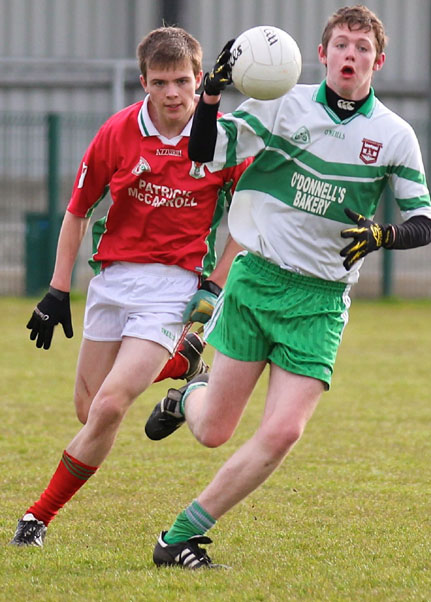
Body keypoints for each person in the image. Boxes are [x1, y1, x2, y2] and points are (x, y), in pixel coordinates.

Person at [144, 5, 431, 569]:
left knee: (282, 433)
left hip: (321, 302)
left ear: (379, 60)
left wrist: (382, 234)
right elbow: (203, 151)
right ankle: (189, 395)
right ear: (322, 54)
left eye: (363, 48)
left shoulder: (395, 135)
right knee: (212, 433)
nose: (352, 55)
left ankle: (179, 537)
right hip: (258, 281)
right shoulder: (282, 103)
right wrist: (209, 96)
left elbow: (423, 223)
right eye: (342, 45)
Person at [10, 26, 250, 547]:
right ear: (143, 81)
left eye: (183, 81)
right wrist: (57, 291)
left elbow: (249, 224)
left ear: (200, 80)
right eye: (160, 82)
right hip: (111, 283)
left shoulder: (224, 138)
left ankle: (37, 517)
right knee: (89, 411)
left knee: (111, 407)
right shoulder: (117, 132)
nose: (172, 93)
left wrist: (214, 283)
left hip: (174, 287)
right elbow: (77, 213)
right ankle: (180, 364)